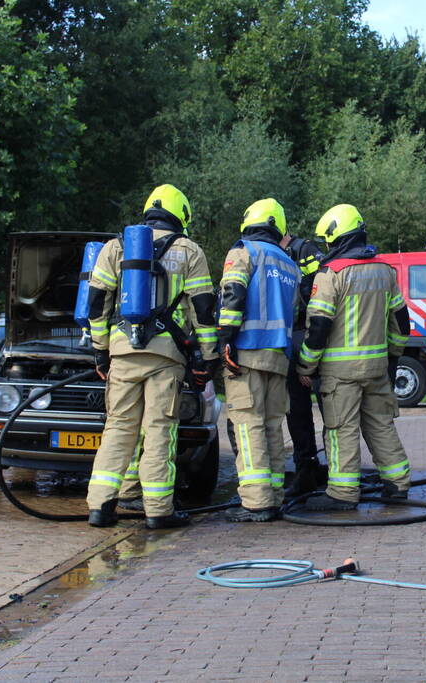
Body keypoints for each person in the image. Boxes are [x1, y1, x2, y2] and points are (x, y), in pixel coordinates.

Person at [84, 184, 219, 529]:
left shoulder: (115, 247)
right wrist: (207, 356)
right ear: (182, 216)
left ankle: (101, 506)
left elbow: (96, 305)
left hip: (122, 351)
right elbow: (203, 309)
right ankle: (158, 511)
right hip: (165, 356)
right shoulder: (189, 251)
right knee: (160, 430)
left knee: (118, 428)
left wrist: (101, 352)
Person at [296, 205, 412, 511]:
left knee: (341, 429)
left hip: (339, 372)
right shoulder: (385, 271)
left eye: (328, 243)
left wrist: (306, 365)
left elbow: (318, 326)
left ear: (337, 238)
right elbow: (402, 324)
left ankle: (343, 493)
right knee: (381, 425)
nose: (327, 249)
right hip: (377, 369)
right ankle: (397, 485)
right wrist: (392, 358)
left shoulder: (331, 274)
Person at [217, 198, 301, 522]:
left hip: (246, 354)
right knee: (272, 428)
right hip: (278, 358)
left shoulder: (243, 252)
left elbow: (233, 295)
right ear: (276, 226)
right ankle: (275, 495)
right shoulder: (289, 264)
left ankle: (256, 502)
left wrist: (225, 341)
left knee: (247, 426)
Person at [280, 231, 327, 496]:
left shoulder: (306, 250)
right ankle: (306, 467)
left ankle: (338, 473)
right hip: (291, 342)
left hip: (311, 339)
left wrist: (310, 361)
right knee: (296, 412)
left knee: (330, 411)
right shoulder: (272, 253)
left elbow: (318, 304)